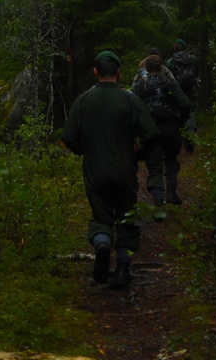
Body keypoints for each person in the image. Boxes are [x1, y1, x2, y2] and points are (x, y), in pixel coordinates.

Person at [62, 51, 159, 288]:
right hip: (124, 169)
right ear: (119, 72)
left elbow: (68, 137)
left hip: (95, 171)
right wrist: (139, 155)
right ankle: (123, 266)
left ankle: (103, 243)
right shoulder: (129, 100)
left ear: (95, 71)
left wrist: (86, 151)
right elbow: (152, 135)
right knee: (127, 214)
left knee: (101, 215)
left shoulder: (83, 101)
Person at [132, 54, 191, 210]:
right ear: (160, 66)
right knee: (171, 158)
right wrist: (180, 120)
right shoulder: (168, 80)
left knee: (154, 164)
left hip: (149, 128)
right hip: (169, 126)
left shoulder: (140, 81)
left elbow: (132, 102)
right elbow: (184, 102)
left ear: (146, 67)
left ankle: (158, 197)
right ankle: (171, 192)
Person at [166, 39, 200, 151]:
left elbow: (168, 76)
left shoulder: (171, 61)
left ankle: (182, 139)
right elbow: (196, 73)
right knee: (191, 112)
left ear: (175, 48)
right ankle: (190, 134)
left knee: (179, 113)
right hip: (191, 90)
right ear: (184, 48)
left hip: (178, 91)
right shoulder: (193, 59)